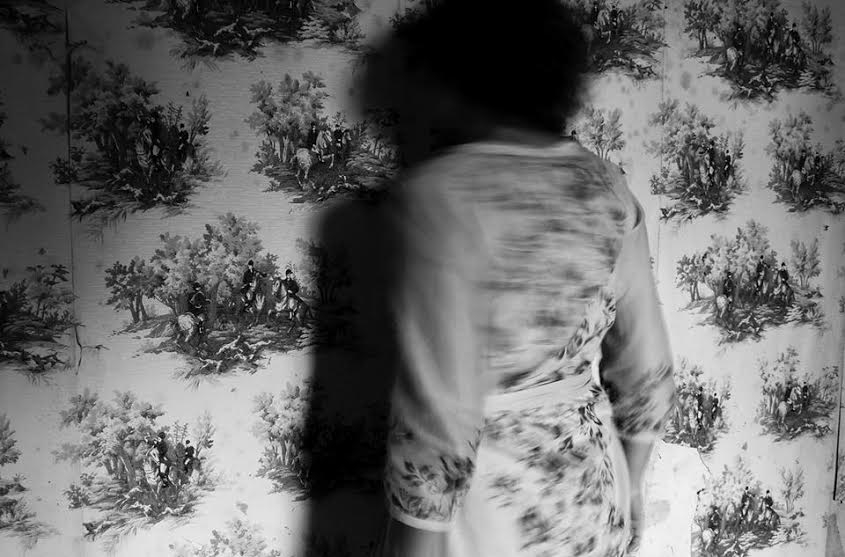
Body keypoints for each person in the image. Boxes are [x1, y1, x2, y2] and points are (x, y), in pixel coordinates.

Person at [365, 2, 677, 555]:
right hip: (591, 495)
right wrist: (630, 487)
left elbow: (439, 416)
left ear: (457, 77)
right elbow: (647, 371)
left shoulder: (438, 196)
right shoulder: (607, 186)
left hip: (490, 517)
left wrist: (413, 547)